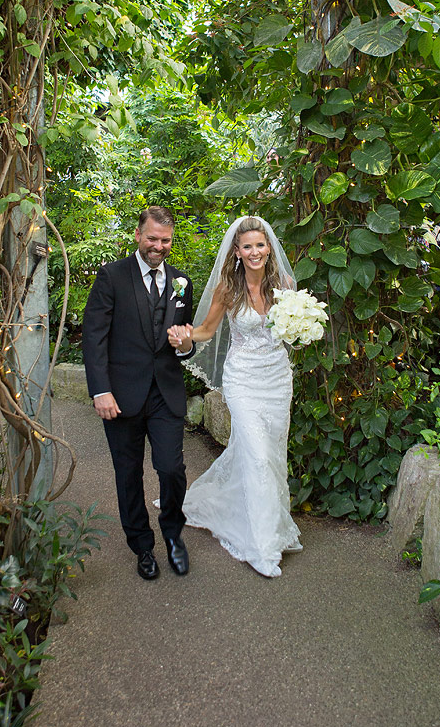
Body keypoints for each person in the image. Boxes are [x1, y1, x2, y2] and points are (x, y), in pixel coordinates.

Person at [167, 216, 302, 579]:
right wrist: (184, 337)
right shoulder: (227, 289)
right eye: (247, 246)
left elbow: (294, 332)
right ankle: (263, 548)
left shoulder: (285, 285)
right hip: (243, 379)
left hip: (277, 379)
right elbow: (206, 331)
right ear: (238, 252)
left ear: (269, 247)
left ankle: (274, 525)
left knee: (272, 454)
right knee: (258, 457)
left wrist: (305, 327)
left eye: (260, 245)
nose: (255, 252)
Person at [82, 206, 196, 581]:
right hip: (121, 396)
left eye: (165, 241)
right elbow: (94, 337)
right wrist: (100, 390)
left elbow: (185, 342)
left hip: (165, 392)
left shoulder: (182, 282)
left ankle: (173, 536)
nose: (158, 246)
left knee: (171, 469)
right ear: (137, 235)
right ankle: (142, 546)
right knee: (127, 473)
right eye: (152, 238)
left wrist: (184, 344)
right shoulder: (111, 276)